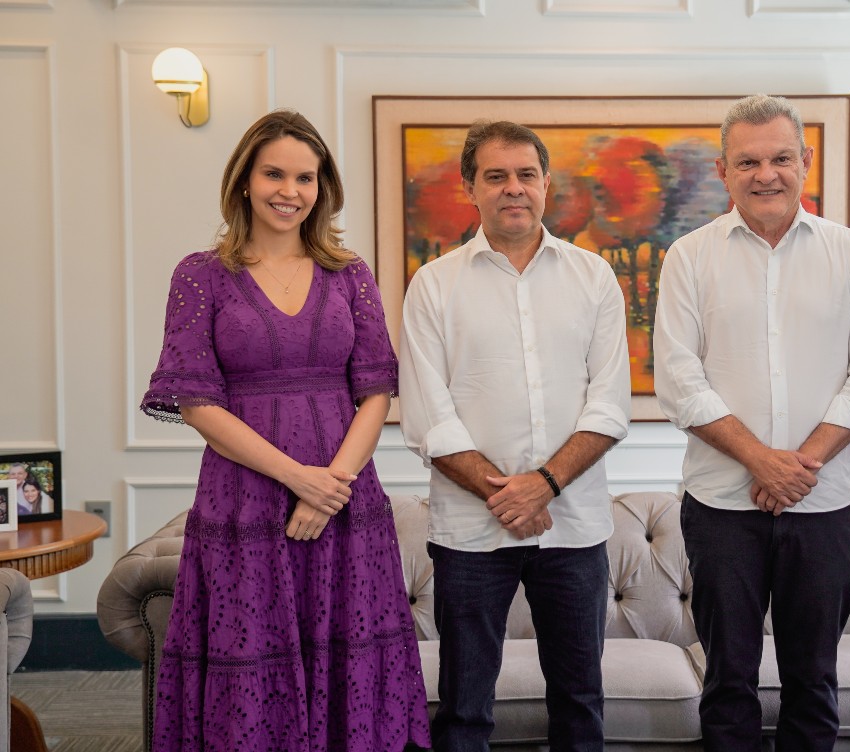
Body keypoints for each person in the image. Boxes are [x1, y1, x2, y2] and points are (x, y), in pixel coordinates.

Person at [140, 109, 431, 752]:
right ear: (244, 178)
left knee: (347, 657)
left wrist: (332, 488)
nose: (289, 191)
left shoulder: (349, 272)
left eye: (306, 177)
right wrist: (299, 479)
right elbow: (195, 401)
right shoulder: (200, 274)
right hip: (244, 502)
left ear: (322, 188)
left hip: (346, 503)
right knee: (251, 659)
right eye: (274, 173)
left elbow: (377, 389)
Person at [652, 94, 850, 751]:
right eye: (749, 162)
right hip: (721, 506)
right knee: (727, 681)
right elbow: (679, 380)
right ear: (725, 172)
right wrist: (762, 461)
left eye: (781, 158)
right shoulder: (689, 258)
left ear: (805, 163)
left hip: (824, 509)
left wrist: (798, 468)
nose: (767, 174)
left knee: (813, 683)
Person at [399, 120, 630, 751]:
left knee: (580, 703)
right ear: (469, 188)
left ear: (546, 184)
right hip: (470, 534)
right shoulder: (433, 285)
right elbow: (427, 417)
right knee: (466, 709)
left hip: (574, 526)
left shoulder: (593, 278)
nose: (513, 189)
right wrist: (509, 495)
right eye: (495, 176)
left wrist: (544, 486)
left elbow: (608, 406)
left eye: (526, 175)